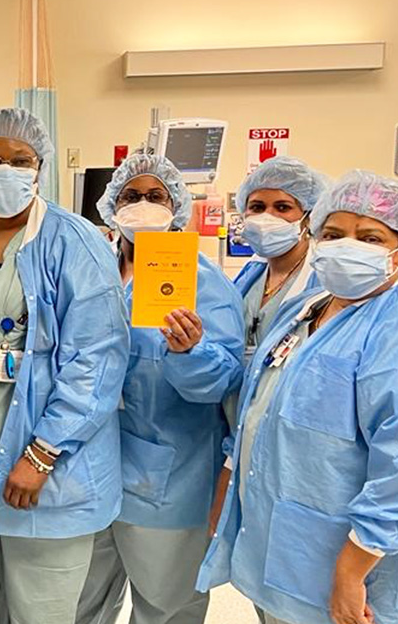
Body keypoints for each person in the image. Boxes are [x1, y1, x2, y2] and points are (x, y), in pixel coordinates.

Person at [197, 171, 398, 624]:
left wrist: (350, 576)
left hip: (354, 568)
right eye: (334, 234)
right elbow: (260, 407)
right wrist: (227, 492)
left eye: (369, 236)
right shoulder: (309, 308)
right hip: (284, 548)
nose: (347, 245)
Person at [0, 107, 130, 624]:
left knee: (40, 611)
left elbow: (97, 361)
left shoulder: (75, 242)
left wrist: (41, 454)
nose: (6, 170)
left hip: (48, 471)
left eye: (20, 160)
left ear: (39, 167)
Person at [73, 154, 244, 624]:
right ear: (110, 206)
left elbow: (223, 382)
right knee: (79, 604)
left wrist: (191, 353)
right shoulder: (89, 272)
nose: (143, 205)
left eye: (156, 196)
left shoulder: (203, 283)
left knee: (166, 608)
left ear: (177, 207)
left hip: (168, 478)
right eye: (131, 196)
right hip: (88, 470)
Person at [231, 156, 328, 362]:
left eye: (282, 207)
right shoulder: (252, 271)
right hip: (240, 390)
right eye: (257, 207)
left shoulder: (323, 279)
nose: (268, 216)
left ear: (308, 217)